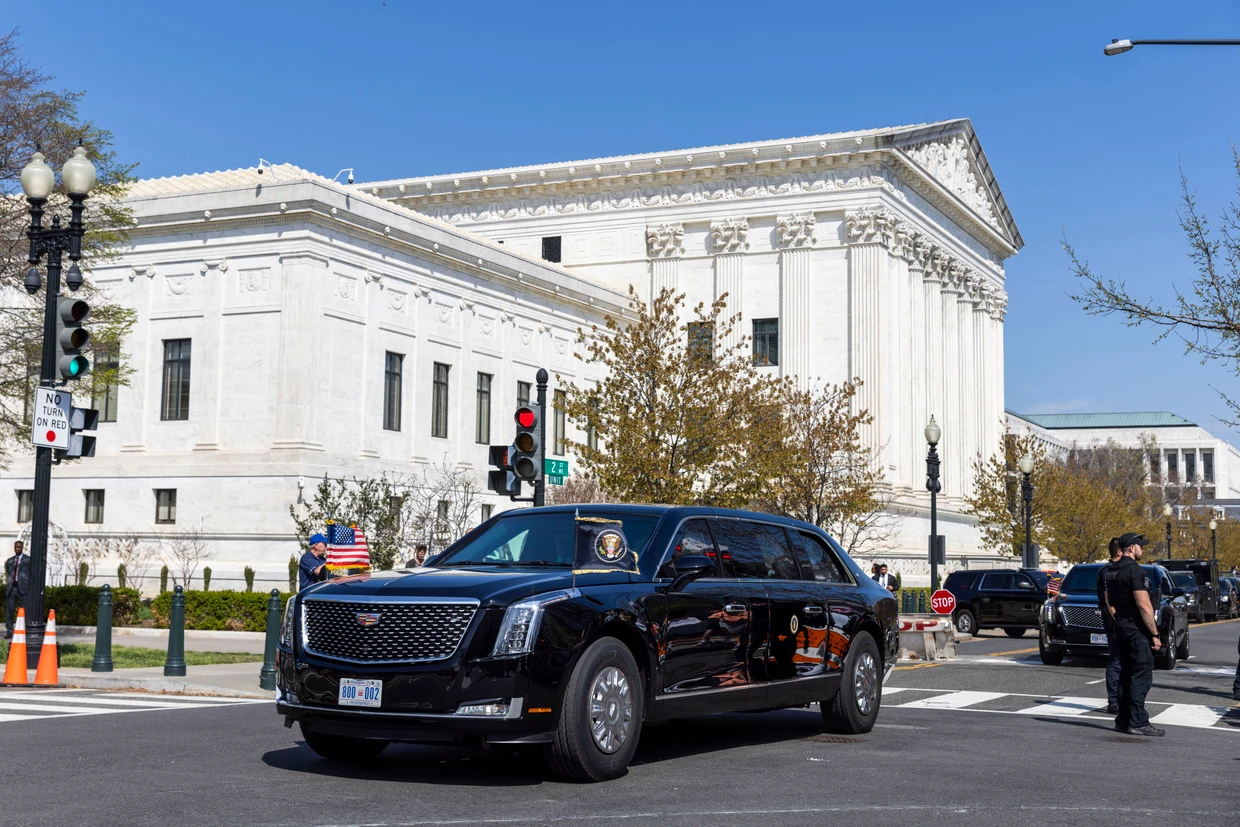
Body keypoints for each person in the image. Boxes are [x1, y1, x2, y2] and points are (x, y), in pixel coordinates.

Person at [1102, 532, 1165, 737]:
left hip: (1119, 626)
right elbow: (1144, 605)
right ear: (1131, 548)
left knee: (1124, 674)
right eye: (1140, 546)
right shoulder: (1135, 572)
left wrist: (1118, 620)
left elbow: (1108, 600)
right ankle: (1138, 721)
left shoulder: (1110, 570)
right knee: (1141, 673)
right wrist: (1154, 634)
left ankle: (1123, 721)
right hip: (1136, 629)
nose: (1143, 550)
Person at [1096, 537, 1123, 713]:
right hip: (1118, 619)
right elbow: (1108, 598)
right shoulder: (1117, 571)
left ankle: (1115, 699)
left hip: (1109, 619)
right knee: (1118, 659)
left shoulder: (1102, 571)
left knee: (1115, 658)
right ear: (1119, 552)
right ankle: (1115, 700)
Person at [4, 541, 29, 640]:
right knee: (9, 611)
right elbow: (8, 573)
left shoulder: (28, 560)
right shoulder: (10, 561)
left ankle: (25, 631)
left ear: (22, 548)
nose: (17, 549)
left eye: (19, 547)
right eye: (15, 547)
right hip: (12, 588)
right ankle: (9, 631)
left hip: (23, 589)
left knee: (25, 611)